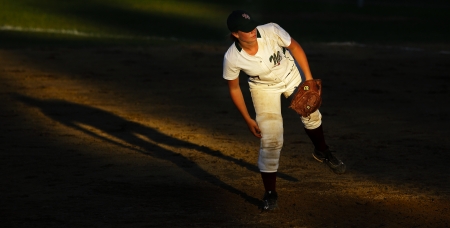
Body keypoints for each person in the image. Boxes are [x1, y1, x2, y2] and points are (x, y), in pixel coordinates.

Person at [222, 10, 346, 211]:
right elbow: (234, 88)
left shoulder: (271, 30)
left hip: (290, 76)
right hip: (263, 88)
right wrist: (247, 119)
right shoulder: (232, 58)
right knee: (271, 139)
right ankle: (270, 193)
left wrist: (308, 78)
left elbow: (295, 47)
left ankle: (322, 151)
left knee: (312, 112)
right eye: (246, 30)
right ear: (236, 34)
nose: (252, 31)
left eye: (252, 26)